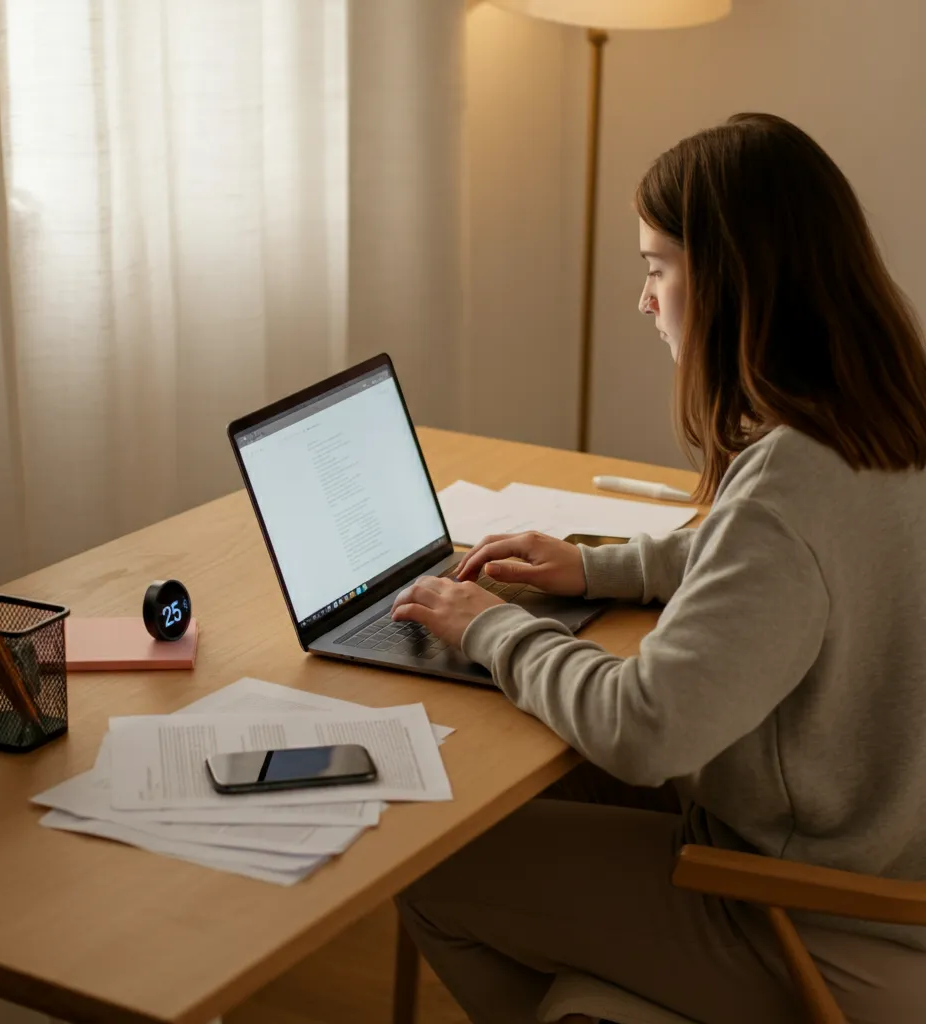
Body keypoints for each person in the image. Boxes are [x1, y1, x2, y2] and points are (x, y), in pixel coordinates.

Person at [389, 113, 926, 1024]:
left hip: (819, 913)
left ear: (727, 282)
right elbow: (807, 563)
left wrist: (489, 627)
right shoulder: (888, 416)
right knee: (542, 801)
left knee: (426, 860)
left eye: (656, 267)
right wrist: (604, 570)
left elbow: (647, 732)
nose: (645, 300)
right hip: (887, 862)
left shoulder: (785, 487)